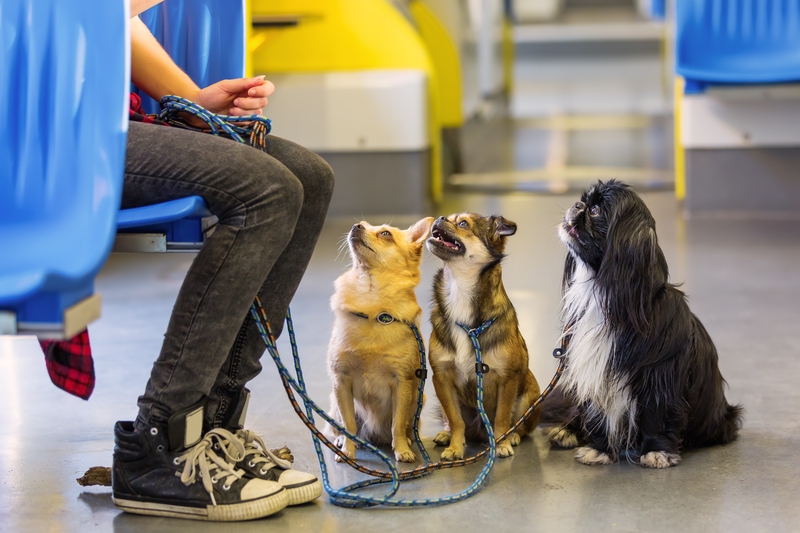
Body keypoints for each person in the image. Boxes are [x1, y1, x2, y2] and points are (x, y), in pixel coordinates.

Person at [111, 0, 334, 521]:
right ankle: (158, 440)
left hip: (117, 120)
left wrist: (191, 99)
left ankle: (214, 425)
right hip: (48, 137)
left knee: (307, 174)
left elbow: (114, 19)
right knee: (267, 189)